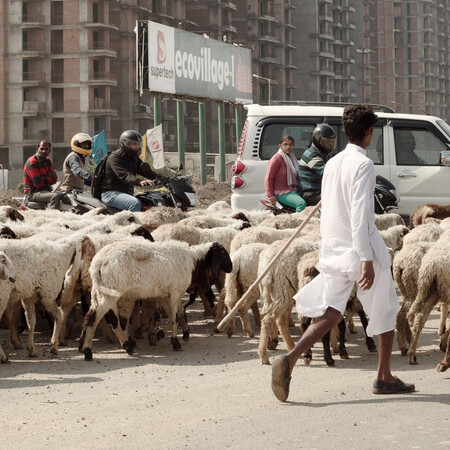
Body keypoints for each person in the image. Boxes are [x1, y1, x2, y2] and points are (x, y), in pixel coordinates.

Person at [271, 104, 415, 402]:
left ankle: (291, 359)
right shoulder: (363, 166)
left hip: (334, 249)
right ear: (369, 132)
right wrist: (365, 259)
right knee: (386, 307)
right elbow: (361, 214)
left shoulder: (334, 163)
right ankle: (384, 376)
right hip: (360, 250)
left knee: (332, 311)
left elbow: (331, 208)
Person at [100, 130, 161, 212]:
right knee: (134, 203)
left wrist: (165, 179)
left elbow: (146, 172)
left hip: (125, 194)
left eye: (139, 144)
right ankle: (135, 225)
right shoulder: (114, 158)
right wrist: (139, 182)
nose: (138, 146)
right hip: (111, 194)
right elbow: (124, 175)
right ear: (125, 144)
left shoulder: (133, 158)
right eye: (134, 144)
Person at [264, 135, 306, 213]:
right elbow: (268, 178)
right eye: (285, 144)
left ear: (294, 146)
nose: (288, 147)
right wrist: (271, 197)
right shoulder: (277, 158)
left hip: (292, 190)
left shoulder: (292, 158)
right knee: (301, 204)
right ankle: (298, 223)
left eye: (291, 144)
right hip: (281, 192)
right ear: (280, 145)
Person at [298, 123, 336, 206]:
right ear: (317, 140)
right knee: (337, 201)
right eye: (327, 141)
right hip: (310, 194)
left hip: (319, 191)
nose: (330, 144)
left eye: (332, 142)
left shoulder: (324, 154)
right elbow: (326, 172)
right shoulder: (311, 154)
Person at [23, 140, 65, 209]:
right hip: (32, 193)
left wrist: (44, 178)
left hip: (45, 191)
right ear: (37, 149)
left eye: (46, 149)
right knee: (55, 196)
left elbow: (54, 180)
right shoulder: (32, 162)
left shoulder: (48, 161)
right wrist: (48, 177)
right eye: (42, 149)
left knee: (64, 196)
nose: (44, 151)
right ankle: (51, 217)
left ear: (49, 150)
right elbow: (38, 184)